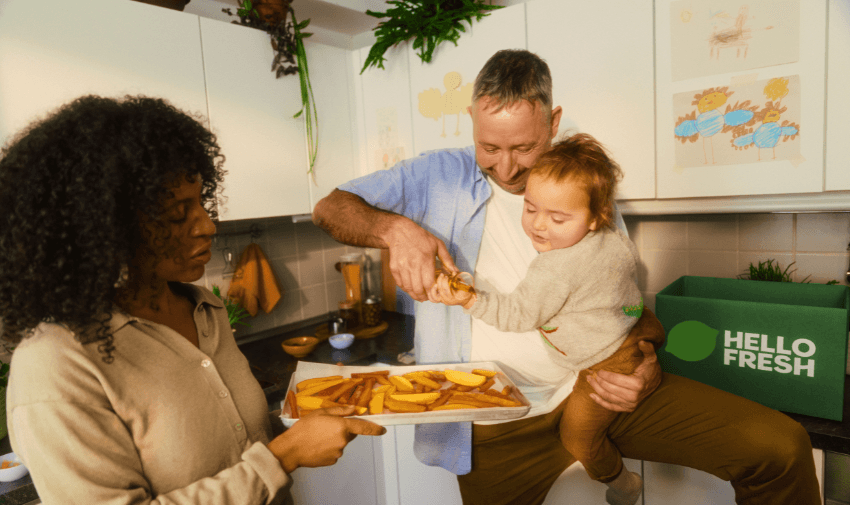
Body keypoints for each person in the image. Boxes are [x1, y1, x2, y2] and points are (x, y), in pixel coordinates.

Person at [312, 49, 821, 505]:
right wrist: (395, 230)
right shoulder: (434, 177)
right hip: (496, 426)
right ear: (471, 119)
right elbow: (329, 208)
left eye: (524, 148)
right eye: (490, 147)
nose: (507, 168)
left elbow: (618, 300)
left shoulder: (585, 183)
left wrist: (644, 362)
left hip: (598, 389)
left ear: (553, 122)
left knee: (780, 447)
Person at [0, 95, 385, 505]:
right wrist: (283, 456)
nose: (207, 225)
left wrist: (294, 429)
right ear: (102, 228)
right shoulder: (55, 363)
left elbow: (230, 440)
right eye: (176, 213)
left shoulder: (205, 308)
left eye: (200, 202)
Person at [430, 133, 661, 505]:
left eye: (557, 217)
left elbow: (517, 315)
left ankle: (621, 482)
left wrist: (470, 300)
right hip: (635, 330)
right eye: (531, 208)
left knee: (578, 437)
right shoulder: (615, 240)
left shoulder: (554, 267)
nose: (539, 226)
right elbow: (627, 292)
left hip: (605, 363)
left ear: (594, 217)